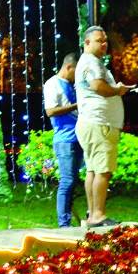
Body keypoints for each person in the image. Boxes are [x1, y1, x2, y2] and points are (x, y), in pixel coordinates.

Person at [74, 26, 134, 228]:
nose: (104, 44)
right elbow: (98, 87)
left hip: (92, 122)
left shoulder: (89, 62)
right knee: (103, 171)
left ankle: (92, 215)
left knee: (93, 170)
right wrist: (118, 90)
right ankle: (98, 215)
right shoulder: (91, 62)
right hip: (100, 123)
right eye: (99, 40)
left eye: (105, 40)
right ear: (87, 42)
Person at [42, 53, 82, 228]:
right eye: (76, 71)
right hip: (65, 139)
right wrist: (77, 106)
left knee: (74, 180)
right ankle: (63, 224)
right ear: (69, 67)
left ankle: (71, 219)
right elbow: (50, 111)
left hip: (79, 137)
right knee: (67, 180)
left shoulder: (72, 85)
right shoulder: (52, 84)